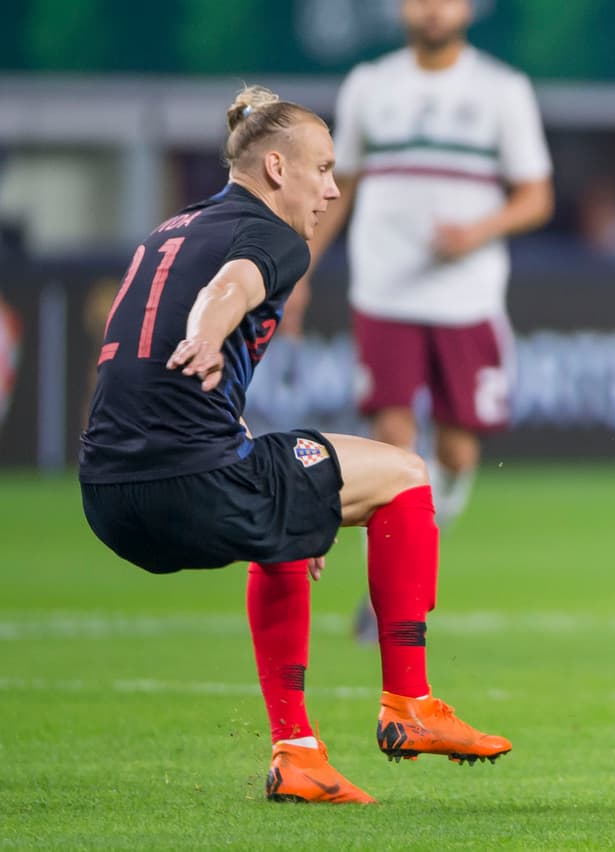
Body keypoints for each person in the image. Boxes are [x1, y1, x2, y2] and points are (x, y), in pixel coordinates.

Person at [79, 85, 510, 806]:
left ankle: (299, 753)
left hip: (106, 498)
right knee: (405, 472)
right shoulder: (275, 236)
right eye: (324, 170)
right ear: (276, 168)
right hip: (191, 483)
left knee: (288, 516)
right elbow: (231, 286)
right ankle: (410, 703)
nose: (333, 191)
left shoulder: (169, 229)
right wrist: (208, 332)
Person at [284, 0, 553, 537]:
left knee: (456, 450)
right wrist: (299, 270)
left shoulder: (502, 89)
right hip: (385, 290)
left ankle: (428, 539)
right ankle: (381, 582)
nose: (433, 9)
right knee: (390, 436)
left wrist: (475, 233)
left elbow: (536, 197)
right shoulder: (370, 84)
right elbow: (340, 187)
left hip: (465, 295)